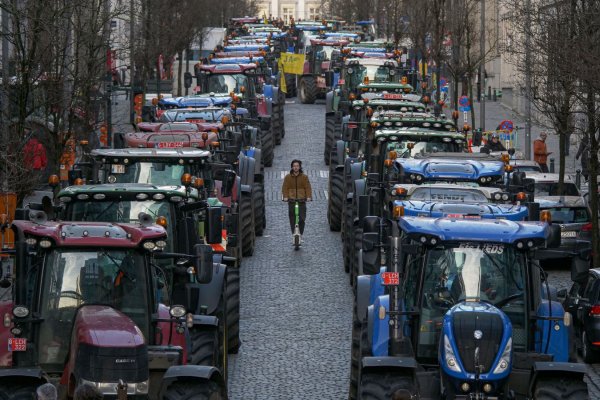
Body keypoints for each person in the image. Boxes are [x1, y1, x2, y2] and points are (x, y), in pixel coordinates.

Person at [282, 159, 312, 242]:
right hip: (291, 201)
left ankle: (300, 234)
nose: (295, 168)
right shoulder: (287, 177)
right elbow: (285, 188)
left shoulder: (304, 177)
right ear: (292, 167)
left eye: (297, 166)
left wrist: (308, 196)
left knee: (302, 219)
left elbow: (308, 187)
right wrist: (285, 197)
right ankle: (294, 234)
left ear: (299, 167)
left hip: (301, 200)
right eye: (294, 166)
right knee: (292, 219)